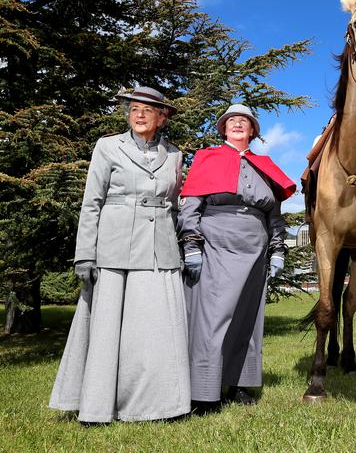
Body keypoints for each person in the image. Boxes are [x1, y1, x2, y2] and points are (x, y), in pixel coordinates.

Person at [49, 87, 190, 423]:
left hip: (159, 251)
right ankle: (97, 407)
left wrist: (184, 247)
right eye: (134, 109)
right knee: (106, 329)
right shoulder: (108, 146)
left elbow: (174, 207)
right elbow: (92, 202)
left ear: (162, 118)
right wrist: (85, 254)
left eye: (147, 110)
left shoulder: (175, 155)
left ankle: (158, 406)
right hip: (113, 249)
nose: (139, 114)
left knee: (156, 330)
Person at [178, 104, 295, 410]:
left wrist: (278, 249)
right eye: (232, 121)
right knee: (212, 318)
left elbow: (274, 215)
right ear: (224, 129)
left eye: (245, 121)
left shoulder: (266, 165)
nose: (239, 124)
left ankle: (240, 384)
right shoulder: (206, 159)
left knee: (248, 317)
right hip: (216, 246)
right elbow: (190, 206)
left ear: (253, 131)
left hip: (255, 250)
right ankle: (204, 391)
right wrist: (191, 244)